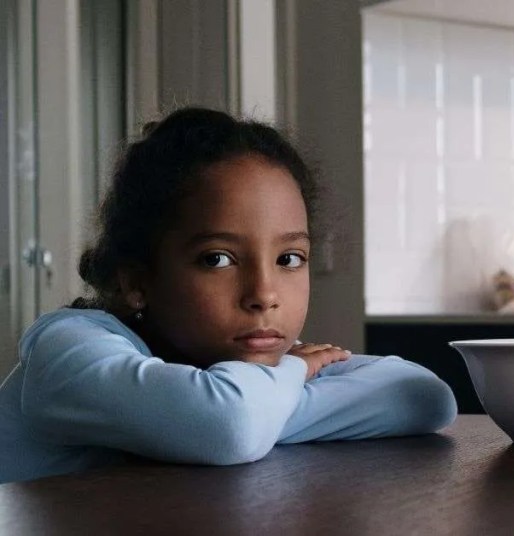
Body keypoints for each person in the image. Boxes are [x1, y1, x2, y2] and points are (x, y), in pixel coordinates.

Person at [0, 108, 457, 483]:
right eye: (217, 259)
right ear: (136, 281)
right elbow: (230, 426)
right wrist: (286, 379)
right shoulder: (66, 351)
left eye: (289, 258)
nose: (264, 294)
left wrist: (260, 405)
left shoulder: (240, 365)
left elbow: (423, 395)